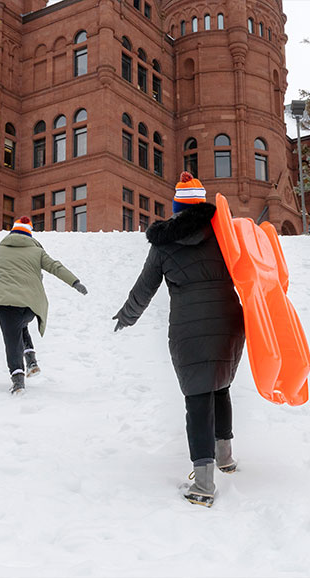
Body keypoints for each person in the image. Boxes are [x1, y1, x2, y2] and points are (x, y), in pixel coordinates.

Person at [113, 172, 245, 507]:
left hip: (189, 329)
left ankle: (203, 484)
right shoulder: (224, 234)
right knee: (220, 385)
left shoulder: (163, 245)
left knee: (198, 396)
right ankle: (225, 458)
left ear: (175, 208)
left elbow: (145, 288)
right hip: (230, 322)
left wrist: (126, 316)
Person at [0, 216, 88, 394]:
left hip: (6, 304)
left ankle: (18, 382)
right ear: (29, 234)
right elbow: (55, 267)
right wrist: (75, 282)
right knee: (20, 325)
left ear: (12, 232)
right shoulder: (37, 252)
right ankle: (31, 360)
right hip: (31, 306)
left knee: (12, 340)